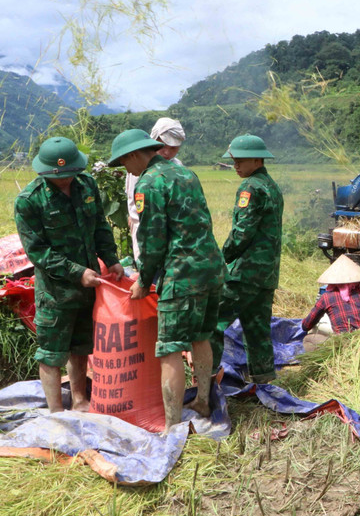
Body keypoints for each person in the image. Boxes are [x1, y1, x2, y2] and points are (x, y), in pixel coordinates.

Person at [108, 129, 226, 432]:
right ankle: (202, 401)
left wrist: (144, 280)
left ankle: (171, 426)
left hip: (181, 274)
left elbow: (152, 240)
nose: (126, 170)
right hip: (211, 268)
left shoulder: (148, 183)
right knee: (201, 336)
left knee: (170, 348)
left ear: (134, 155)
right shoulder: (185, 173)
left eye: (124, 162)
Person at [14, 137, 123, 413]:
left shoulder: (87, 185)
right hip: (56, 294)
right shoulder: (29, 201)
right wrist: (77, 272)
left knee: (81, 347)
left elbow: (100, 226)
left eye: (70, 173)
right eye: (59, 176)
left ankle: (80, 400)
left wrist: (111, 259)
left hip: (88, 288)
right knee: (51, 353)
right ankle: (55, 412)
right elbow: (38, 252)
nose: (65, 180)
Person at [210, 135, 283, 383]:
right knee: (257, 329)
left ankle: (207, 381)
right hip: (266, 274)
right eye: (234, 161)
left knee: (212, 322)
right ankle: (264, 382)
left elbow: (241, 233)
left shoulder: (250, 187)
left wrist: (221, 259)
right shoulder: (272, 186)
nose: (236, 166)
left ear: (257, 160)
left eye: (240, 161)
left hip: (244, 274)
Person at [125, 118, 186, 262]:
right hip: (144, 227)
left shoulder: (179, 167)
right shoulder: (138, 166)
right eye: (163, 146)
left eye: (173, 148)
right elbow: (133, 199)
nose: (167, 152)